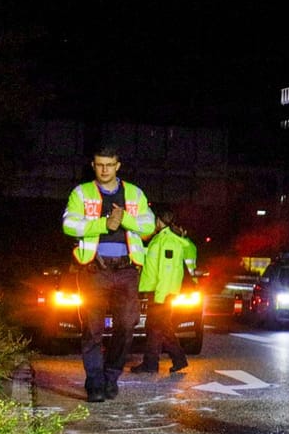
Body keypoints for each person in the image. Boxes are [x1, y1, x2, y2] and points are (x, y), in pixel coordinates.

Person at [61, 148, 157, 402]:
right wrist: (104, 224)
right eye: (100, 165)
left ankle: (110, 376)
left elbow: (149, 224)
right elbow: (69, 225)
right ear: (93, 165)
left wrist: (124, 218)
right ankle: (94, 383)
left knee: (127, 326)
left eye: (109, 165)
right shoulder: (81, 193)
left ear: (118, 165)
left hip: (127, 270)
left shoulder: (134, 193)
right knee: (92, 329)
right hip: (95, 270)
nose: (104, 169)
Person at [131, 205, 197, 375]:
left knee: (155, 327)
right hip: (158, 292)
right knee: (159, 327)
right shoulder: (161, 238)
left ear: (159, 221)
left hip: (162, 293)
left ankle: (152, 364)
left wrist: (159, 297)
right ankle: (172, 360)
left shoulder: (168, 241)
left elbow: (167, 272)